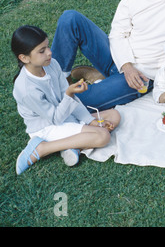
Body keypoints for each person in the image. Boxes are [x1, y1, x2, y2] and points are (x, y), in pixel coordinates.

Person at [11, 26, 120, 175]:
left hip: (65, 114)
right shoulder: (26, 89)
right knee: (103, 136)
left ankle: (74, 146)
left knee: (114, 115)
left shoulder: (51, 64)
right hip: (47, 126)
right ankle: (42, 148)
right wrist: (69, 94)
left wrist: (89, 120)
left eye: (47, 46)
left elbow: (70, 99)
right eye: (42, 51)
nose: (49, 52)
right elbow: (56, 118)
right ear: (24, 58)